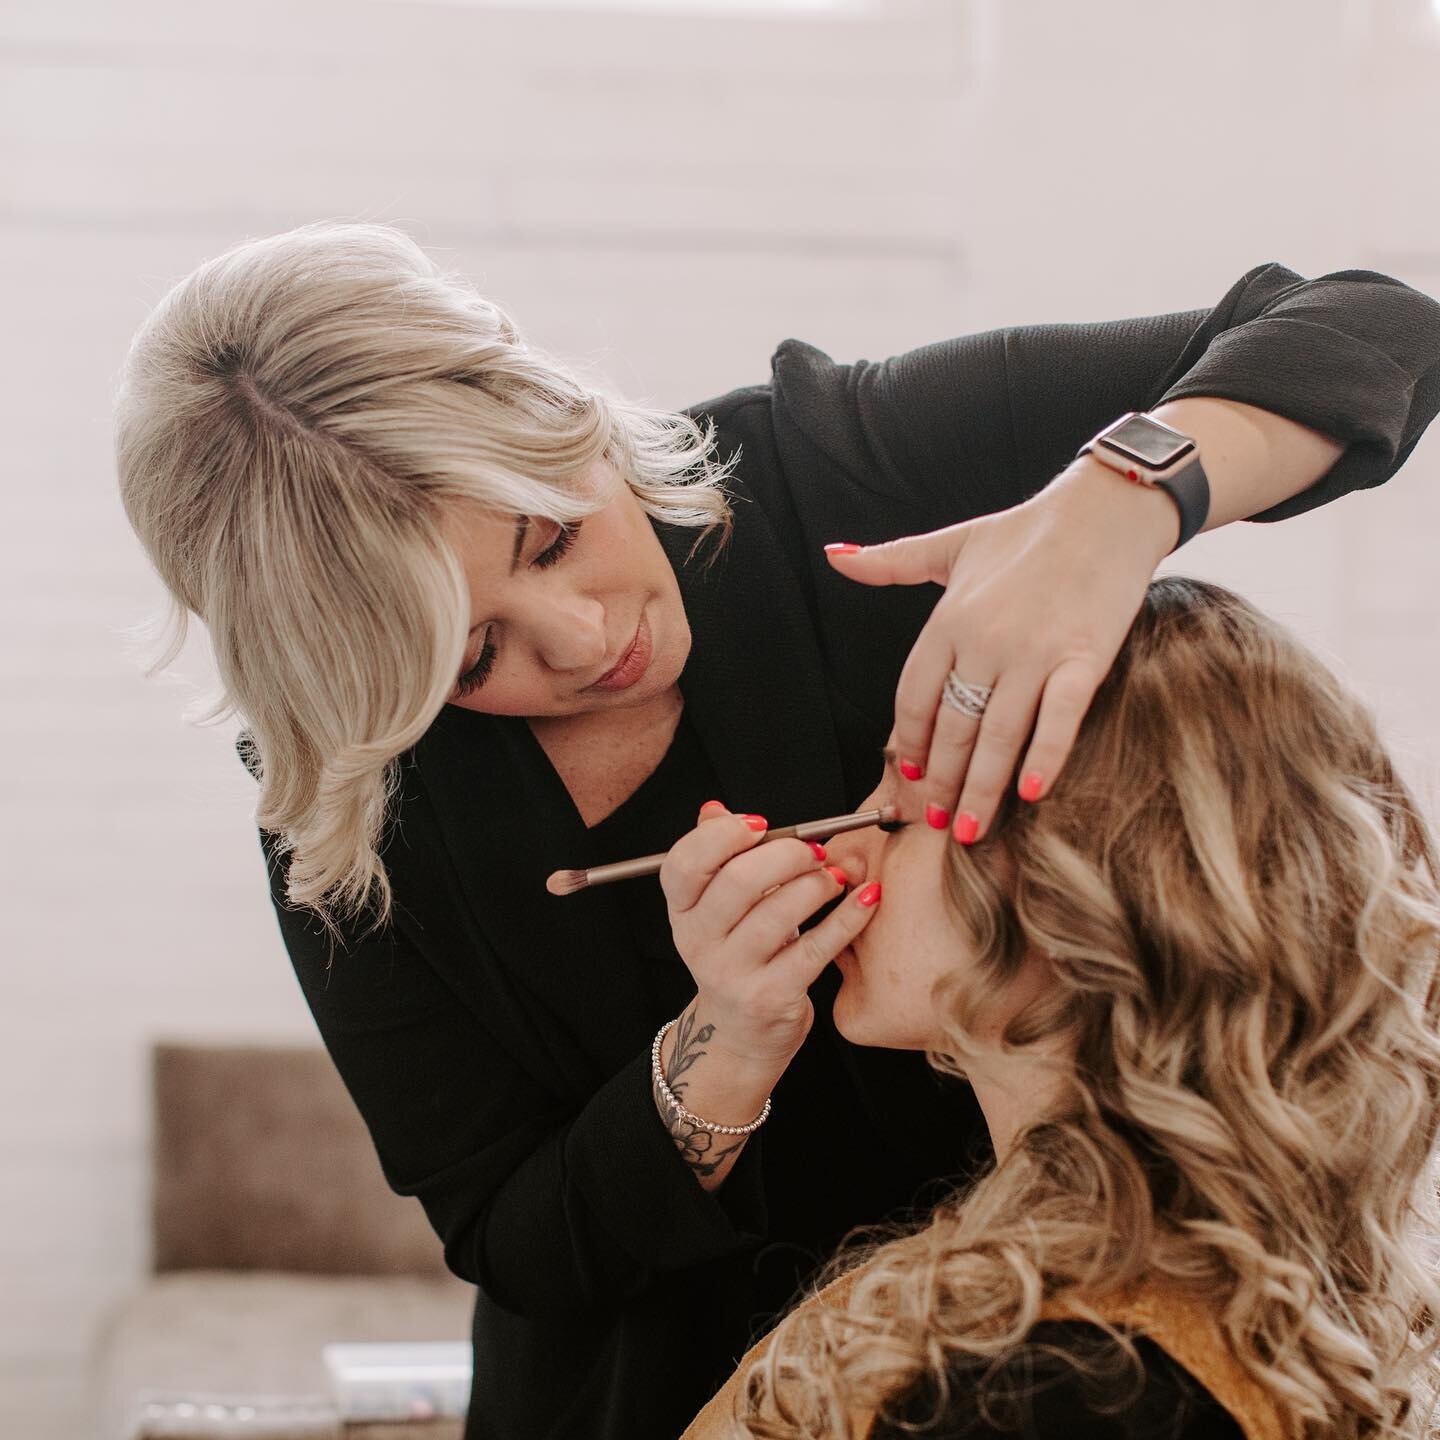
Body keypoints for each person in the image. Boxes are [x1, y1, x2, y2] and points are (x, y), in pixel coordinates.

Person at [111, 221, 1440, 1440]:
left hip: (1037, 1351)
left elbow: (1374, 328)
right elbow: (516, 1240)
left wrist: (1120, 499)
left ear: (555, 407)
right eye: (472, 661)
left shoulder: (838, 472)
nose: (588, 644)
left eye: (551, 538)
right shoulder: (348, 805)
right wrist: (718, 1055)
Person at [683, 574, 1440, 1440]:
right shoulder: (1123, 1313)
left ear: (1080, 880)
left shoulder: (1061, 1392)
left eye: (895, 809)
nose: (839, 848)